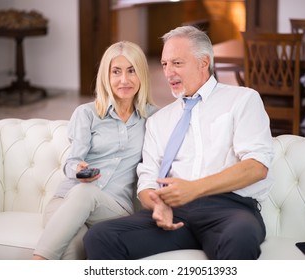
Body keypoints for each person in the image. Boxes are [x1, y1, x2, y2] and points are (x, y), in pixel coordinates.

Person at [83, 26, 274, 260]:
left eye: (177, 63)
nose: (168, 72)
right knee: (99, 237)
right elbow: (147, 180)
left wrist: (194, 188)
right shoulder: (158, 120)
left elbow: (257, 166)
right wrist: (158, 205)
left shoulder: (242, 100)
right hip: (174, 211)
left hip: (229, 210)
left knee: (240, 237)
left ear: (203, 63)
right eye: (164, 64)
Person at [32, 41, 157, 260]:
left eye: (131, 71)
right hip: (65, 202)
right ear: (106, 76)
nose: (124, 80)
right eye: (116, 72)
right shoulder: (86, 114)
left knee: (85, 192)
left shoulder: (154, 118)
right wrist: (78, 169)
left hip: (114, 207)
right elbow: (72, 162)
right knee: (72, 246)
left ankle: (37, 264)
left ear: (142, 75)